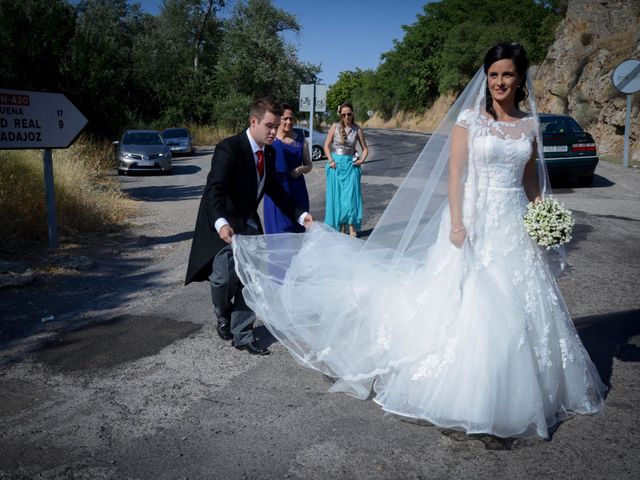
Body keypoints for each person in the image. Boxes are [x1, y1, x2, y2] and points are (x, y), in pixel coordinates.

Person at [232, 44, 605, 438]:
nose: (499, 82)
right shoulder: (469, 120)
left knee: (521, 299)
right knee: (470, 300)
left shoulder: (529, 126)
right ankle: (471, 392)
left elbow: (530, 180)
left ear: (520, 79)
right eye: (493, 74)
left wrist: (544, 214)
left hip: (513, 221)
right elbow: (455, 176)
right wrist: (458, 225)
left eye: (507, 75)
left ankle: (526, 387)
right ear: (486, 78)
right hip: (473, 220)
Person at [185, 98, 312, 356]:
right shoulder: (229, 148)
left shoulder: (270, 151)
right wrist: (221, 224)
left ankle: (242, 333)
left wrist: (302, 216)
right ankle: (223, 315)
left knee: (254, 280)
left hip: (249, 224)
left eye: (276, 126)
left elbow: (275, 189)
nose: (274, 132)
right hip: (222, 223)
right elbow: (215, 191)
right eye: (269, 126)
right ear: (253, 121)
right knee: (222, 279)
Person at [263, 103, 312, 234]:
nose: (289, 122)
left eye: (291, 118)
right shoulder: (269, 140)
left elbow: (309, 164)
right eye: (285, 118)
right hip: (276, 190)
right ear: (279, 119)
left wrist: (300, 170)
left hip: (297, 190)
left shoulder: (301, 140)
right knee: (278, 232)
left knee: (298, 231)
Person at [323, 102, 369, 237]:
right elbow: (326, 146)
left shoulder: (357, 130)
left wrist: (361, 160)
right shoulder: (334, 127)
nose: (346, 117)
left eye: (349, 114)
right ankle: (341, 225)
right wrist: (330, 160)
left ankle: (351, 226)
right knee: (337, 197)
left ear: (353, 113)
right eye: (344, 114)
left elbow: (365, 148)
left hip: (350, 166)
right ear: (340, 115)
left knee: (350, 197)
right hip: (336, 166)